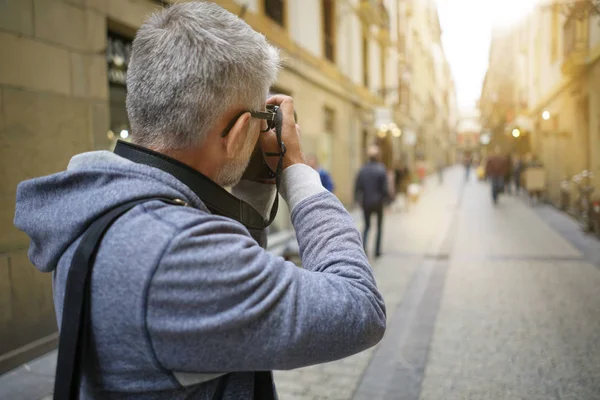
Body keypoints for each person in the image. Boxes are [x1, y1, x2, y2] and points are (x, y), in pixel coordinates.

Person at [14, 3, 386, 399]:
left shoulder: (100, 204)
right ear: (241, 129)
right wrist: (296, 169)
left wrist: (255, 179)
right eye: (259, 120)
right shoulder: (175, 252)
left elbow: (233, 282)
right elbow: (360, 308)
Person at [355, 146, 390, 258]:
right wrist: (387, 201)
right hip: (378, 202)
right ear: (378, 157)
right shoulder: (381, 169)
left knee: (366, 226)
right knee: (379, 227)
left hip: (366, 202)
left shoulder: (363, 169)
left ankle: (363, 249)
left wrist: (358, 200)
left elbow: (357, 186)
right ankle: (377, 251)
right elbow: (385, 188)